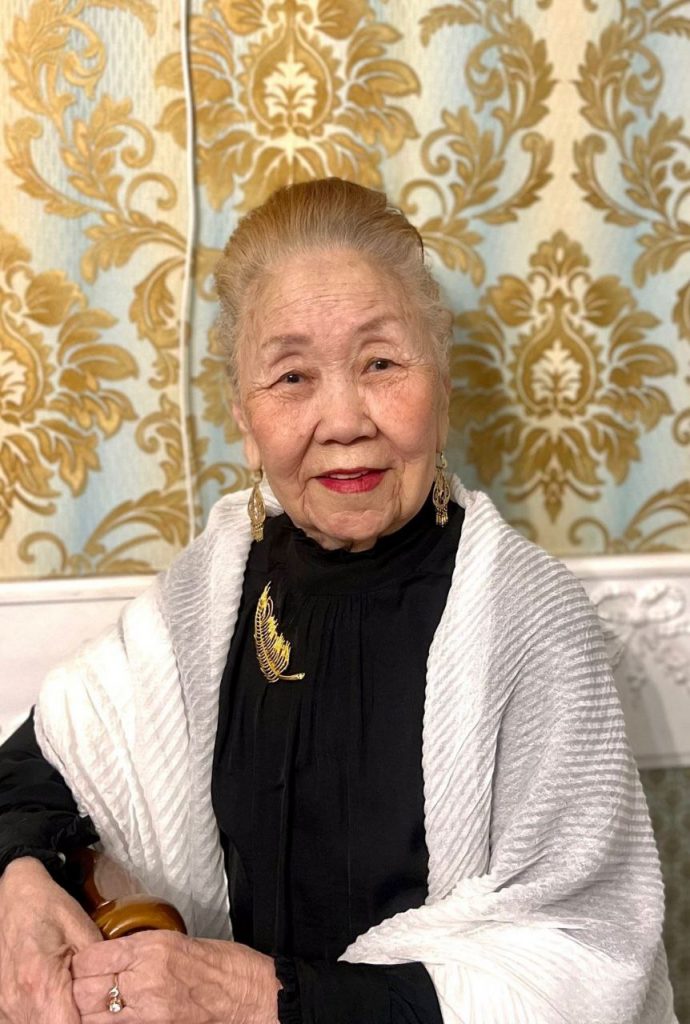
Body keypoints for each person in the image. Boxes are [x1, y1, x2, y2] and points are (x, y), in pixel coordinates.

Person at [0, 178, 676, 1024]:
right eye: (292, 376)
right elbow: (40, 764)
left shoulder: (531, 620)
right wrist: (20, 878)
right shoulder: (216, 589)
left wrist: (261, 999)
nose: (345, 419)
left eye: (380, 364)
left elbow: (579, 955)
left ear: (442, 389)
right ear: (245, 419)